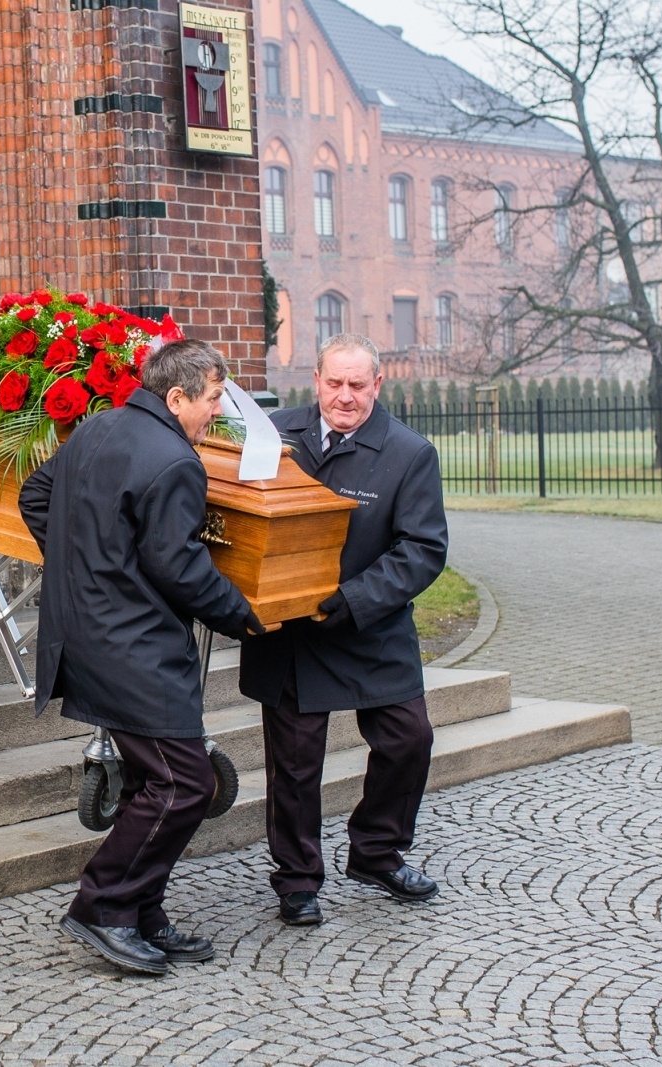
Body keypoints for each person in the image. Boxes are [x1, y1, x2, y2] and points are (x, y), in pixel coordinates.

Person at [19, 338, 265, 976]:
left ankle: (142, 911)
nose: (216, 411)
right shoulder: (174, 461)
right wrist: (242, 615)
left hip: (98, 633)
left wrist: (90, 568)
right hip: (132, 645)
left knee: (151, 782)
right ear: (176, 397)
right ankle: (102, 905)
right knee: (186, 783)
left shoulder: (99, 426)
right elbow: (179, 567)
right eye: (212, 399)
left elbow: (35, 497)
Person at [240, 333, 448, 927]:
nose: (346, 396)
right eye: (335, 383)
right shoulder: (274, 435)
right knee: (296, 767)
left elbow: (422, 551)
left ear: (378, 386)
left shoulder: (410, 453)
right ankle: (298, 880)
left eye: (359, 385)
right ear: (316, 379)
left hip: (369, 628)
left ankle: (377, 850)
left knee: (409, 740)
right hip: (291, 634)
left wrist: (353, 600)